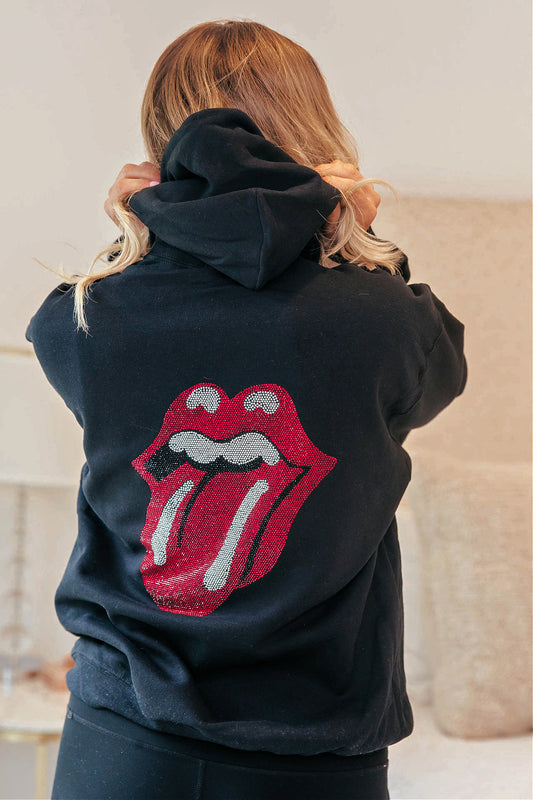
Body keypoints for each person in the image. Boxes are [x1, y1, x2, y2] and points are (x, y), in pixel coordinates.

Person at [25, 18, 467, 800]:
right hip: (315, 749)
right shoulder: (386, 319)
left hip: (122, 742)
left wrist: (135, 234)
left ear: (162, 140)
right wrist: (367, 237)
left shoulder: (88, 316)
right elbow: (441, 373)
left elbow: (74, 337)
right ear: (313, 131)